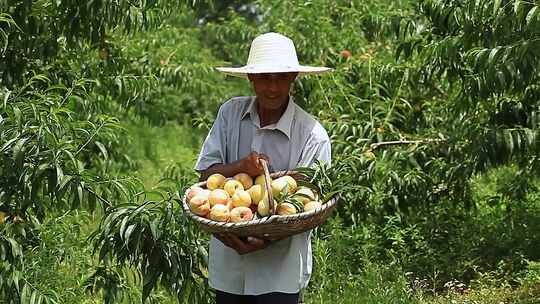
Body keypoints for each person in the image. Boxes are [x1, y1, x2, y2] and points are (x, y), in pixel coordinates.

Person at [194, 32, 332, 304]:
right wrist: (241, 167)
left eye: (281, 77)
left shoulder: (312, 135)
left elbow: (309, 204)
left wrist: (265, 240)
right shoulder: (230, 114)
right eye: (265, 77)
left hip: (279, 273)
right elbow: (205, 176)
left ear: (293, 77)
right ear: (251, 78)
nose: (272, 87)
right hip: (229, 269)